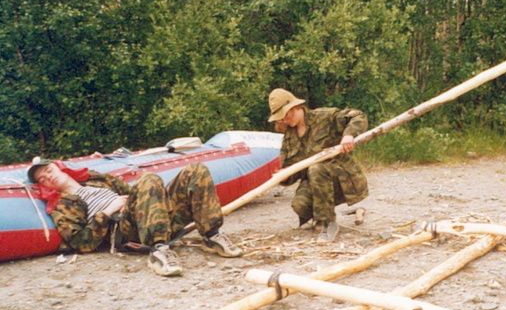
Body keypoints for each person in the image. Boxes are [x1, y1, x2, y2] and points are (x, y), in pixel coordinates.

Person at [27, 159, 242, 276]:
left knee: (195, 170)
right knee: (149, 179)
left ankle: (211, 235)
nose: (48, 176)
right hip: (125, 231)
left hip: (148, 217)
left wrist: (151, 200)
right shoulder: (62, 205)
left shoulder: (96, 179)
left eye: (48, 169)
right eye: (42, 179)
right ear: (43, 186)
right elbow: (80, 242)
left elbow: (134, 192)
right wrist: (108, 210)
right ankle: (159, 250)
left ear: (58, 166)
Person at [268, 88, 368, 244]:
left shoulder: (325, 116)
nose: (285, 121)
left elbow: (358, 116)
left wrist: (349, 135)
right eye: (281, 119)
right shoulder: (289, 138)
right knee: (299, 205)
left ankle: (329, 222)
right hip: (317, 184)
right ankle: (320, 217)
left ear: (296, 108)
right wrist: (284, 176)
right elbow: (292, 171)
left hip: (343, 179)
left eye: (286, 116)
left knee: (317, 169)